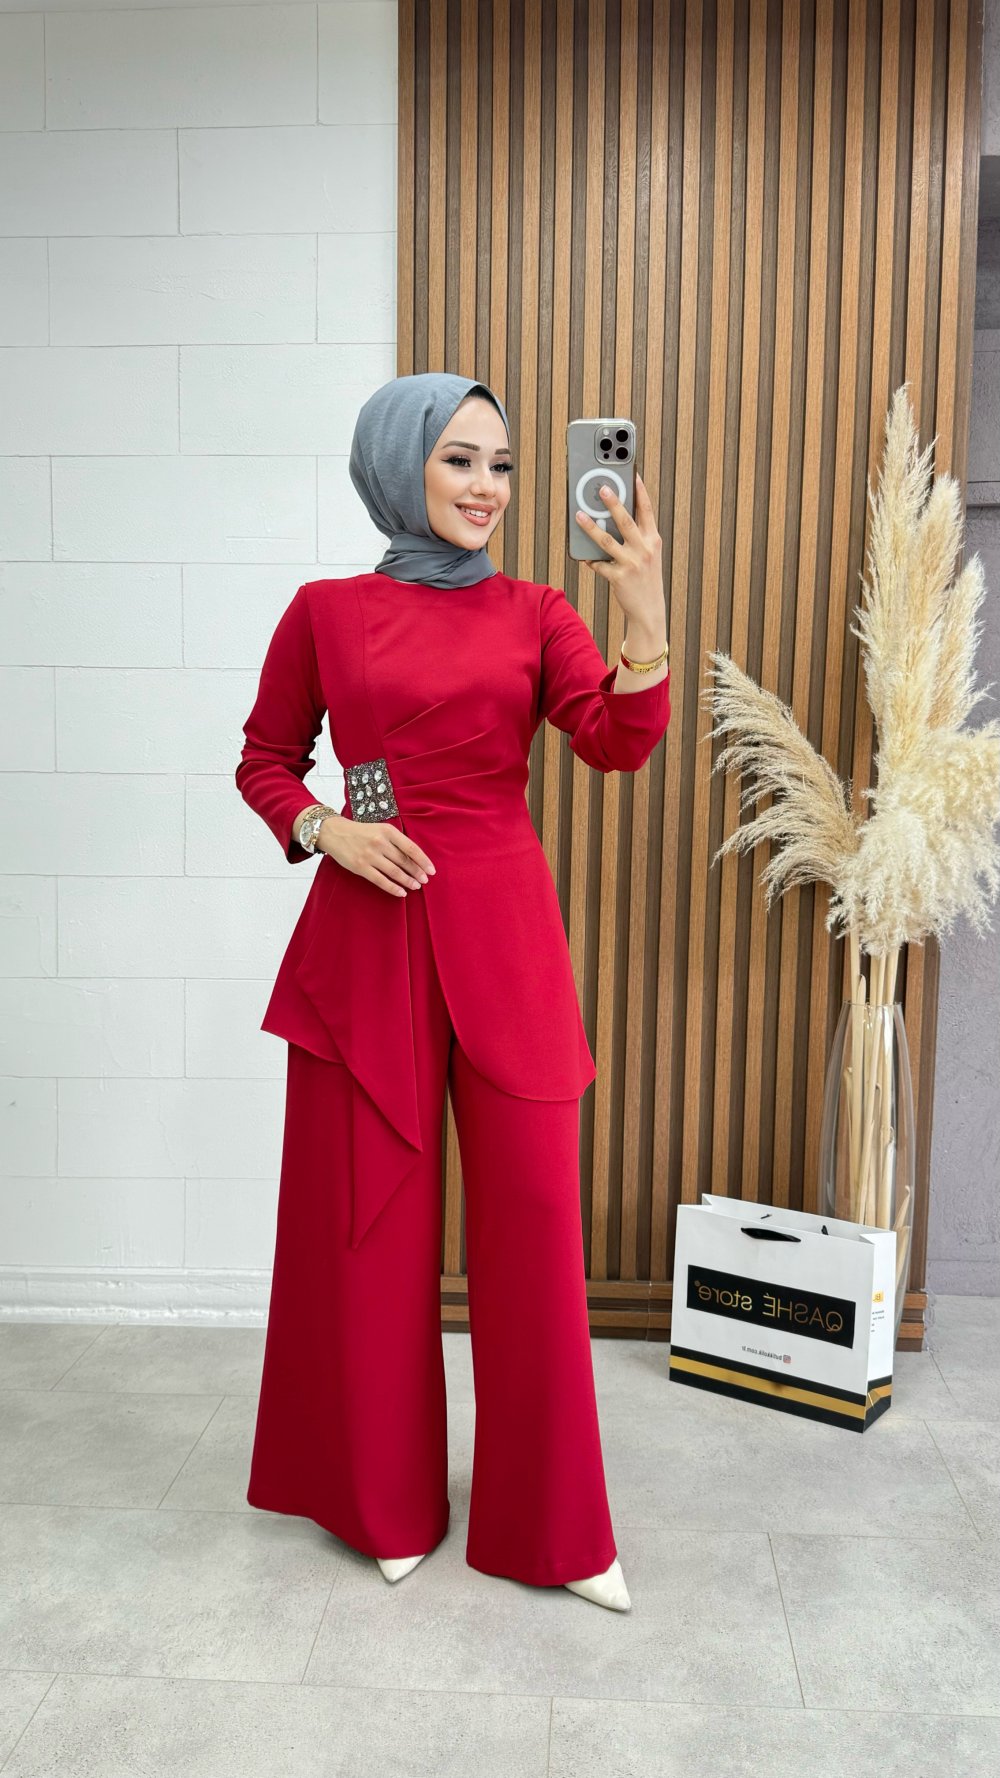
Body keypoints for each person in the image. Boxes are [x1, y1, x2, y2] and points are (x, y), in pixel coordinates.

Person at [236, 372, 670, 1612]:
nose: (488, 487)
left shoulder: (538, 611)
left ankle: (559, 1528)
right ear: (398, 464)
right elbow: (267, 758)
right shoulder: (324, 611)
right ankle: (382, 1498)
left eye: (504, 465)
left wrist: (642, 616)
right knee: (369, 1233)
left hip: (502, 939)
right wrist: (329, 826)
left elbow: (612, 740)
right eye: (460, 459)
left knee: (533, 1229)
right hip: (363, 941)